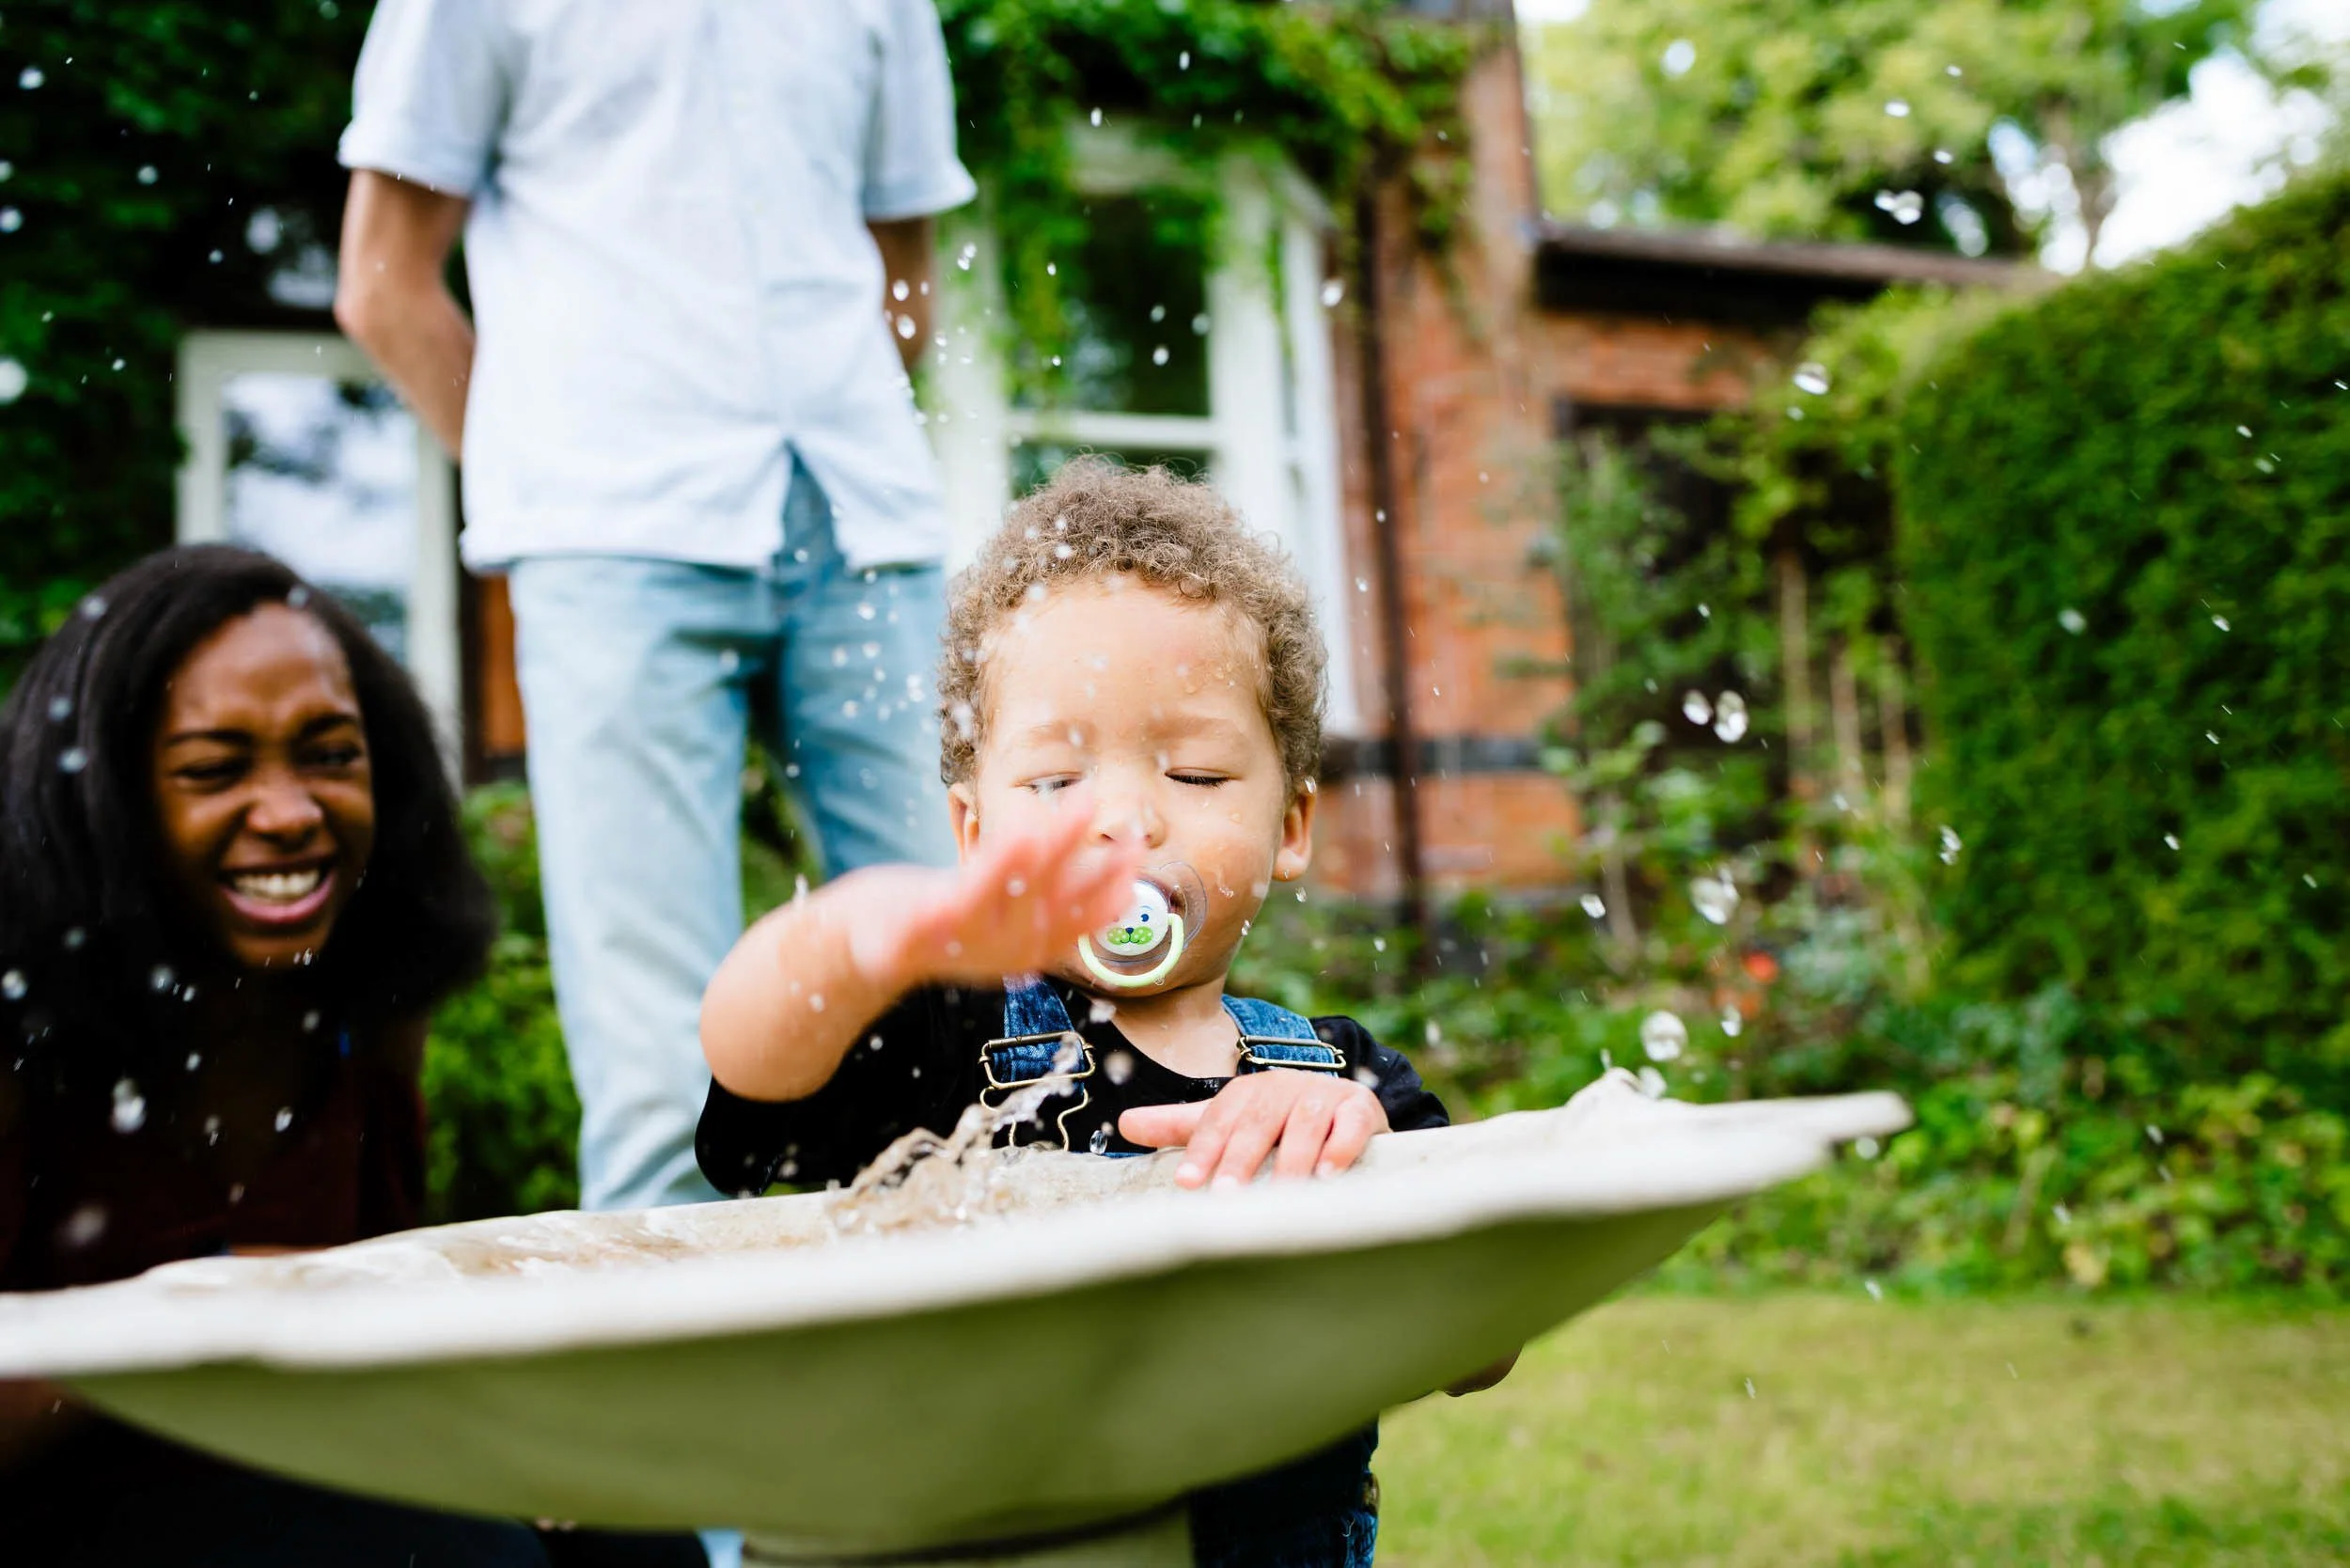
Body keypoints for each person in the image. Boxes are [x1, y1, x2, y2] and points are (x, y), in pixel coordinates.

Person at [697, 463, 1511, 1568]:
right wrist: (859, 938)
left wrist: (1358, 1165)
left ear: (1292, 823)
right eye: (1054, 781)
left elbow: (1484, 1341)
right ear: (972, 829)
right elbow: (754, 1086)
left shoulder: (1340, 1076)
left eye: (1194, 771)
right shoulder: (938, 1038)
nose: (1125, 819)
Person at [333, 0, 978, 1215]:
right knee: (663, 1081)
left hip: (864, 521)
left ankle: (1006, 1377)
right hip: (612, 545)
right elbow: (383, 284)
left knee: (992, 1001)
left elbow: (903, 272)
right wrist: (558, 489)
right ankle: (684, 1407)